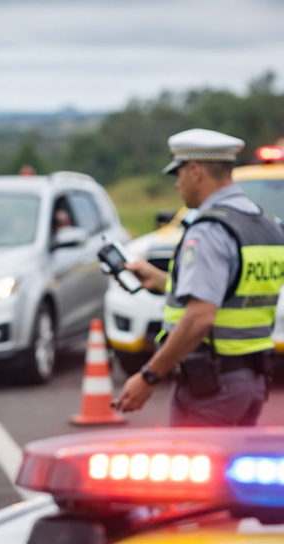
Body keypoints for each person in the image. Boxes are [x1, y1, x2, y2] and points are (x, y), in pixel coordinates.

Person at [114, 128, 284, 426]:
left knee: (195, 470)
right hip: (252, 382)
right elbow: (233, 291)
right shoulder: (266, 224)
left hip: (212, 387)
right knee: (231, 471)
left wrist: (149, 376)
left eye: (178, 174)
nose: (177, 184)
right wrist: (165, 281)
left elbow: (201, 316)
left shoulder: (209, 230)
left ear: (195, 171)